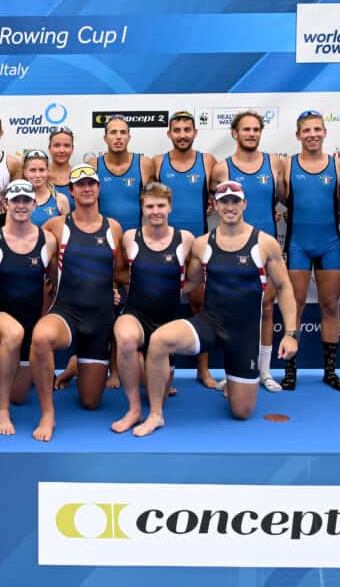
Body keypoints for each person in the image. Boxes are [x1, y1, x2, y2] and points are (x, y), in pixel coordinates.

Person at [134, 180, 299, 433]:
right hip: (211, 324)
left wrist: (290, 334)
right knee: (158, 340)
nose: (230, 206)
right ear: (214, 205)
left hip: (244, 334)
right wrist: (146, 289)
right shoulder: (201, 244)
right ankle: (156, 414)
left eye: (235, 201)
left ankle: (236, 381)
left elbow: (285, 288)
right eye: (224, 201)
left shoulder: (265, 243)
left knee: (241, 412)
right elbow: (188, 284)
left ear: (244, 204)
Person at [29, 164, 124, 441]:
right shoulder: (56, 226)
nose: (86, 188)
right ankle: (48, 414)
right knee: (42, 337)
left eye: (91, 183)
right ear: (70, 191)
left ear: (98, 188)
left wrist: (114, 290)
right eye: (80, 184)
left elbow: (118, 272)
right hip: (67, 312)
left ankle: (73, 367)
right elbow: (29, 253)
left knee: (91, 403)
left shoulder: (114, 227)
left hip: (100, 319)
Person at [111, 182, 196, 433]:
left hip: (167, 322)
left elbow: (195, 278)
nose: (155, 211)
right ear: (142, 209)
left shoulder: (186, 239)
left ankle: (156, 410)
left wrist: (176, 291)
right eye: (150, 206)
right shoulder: (130, 237)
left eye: (160, 205)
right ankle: (134, 410)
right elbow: (119, 272)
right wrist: (117, 289)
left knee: (159, 396)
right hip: (136, 313)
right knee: (125, 338)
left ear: (170, 207)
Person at [212, 111, 287, 393]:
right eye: (246, 129)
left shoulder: (275, 163)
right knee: (232, 309)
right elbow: (214, 202)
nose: (251, 134)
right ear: (235, 133)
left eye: (256, 129)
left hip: (265, 245)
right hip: (232, 246)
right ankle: (233, 372)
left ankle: (265, 371)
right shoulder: (221, 169)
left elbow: (284, 198)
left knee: (266, 309)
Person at [280, 110, 340, 392]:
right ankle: (290, 370)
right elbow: (283, 198)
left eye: (317, 129)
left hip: (329, 243)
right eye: (306, 130)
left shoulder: (337, 165)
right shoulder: (287, 165)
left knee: (330, 306)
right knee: (293, 305)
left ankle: (330, 371)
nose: (312, 135)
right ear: (298, 135)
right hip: (298, 243)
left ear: (324, 132)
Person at [151, 109, 219, 390]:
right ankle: (162, 373)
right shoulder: (157, 163)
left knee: (200, 307)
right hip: (163, 246)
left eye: (187, 130)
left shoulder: (208, 161)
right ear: (169, 134)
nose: (182, 135)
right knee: (159, 308)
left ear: (195, 132)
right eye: (176, 130)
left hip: (198, 246)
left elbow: (223, 197)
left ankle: (203, 371)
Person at [0, 180, 57, 435]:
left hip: (31, 322)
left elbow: (55, 282)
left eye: (25, 200)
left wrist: (47, 317)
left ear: (34, 203)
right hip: (0, 319)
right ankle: (1, 410)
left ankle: (46, 412)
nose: (20, 205)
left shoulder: (47, 240)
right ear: (5, 203)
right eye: (15, 200)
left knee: (20, 395)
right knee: (13, 333)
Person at [96, 115, 154, 232]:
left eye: (123, 132)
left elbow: (157, 200)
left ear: (129, 137)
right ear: (105, 138)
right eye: (113, 132)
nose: (118, 137)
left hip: (135, 238)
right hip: (102, 239)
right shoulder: (93, 166)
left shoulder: (145, 164)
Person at [22, 150, 70, 225]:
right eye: (32, 170)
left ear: (48, 171)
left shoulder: (60, 200)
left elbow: (67, 233)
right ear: (25, 172)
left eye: (42, 170)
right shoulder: (16, 201)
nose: (37, 175)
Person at [47, 126, 76, 206]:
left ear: (72, 149)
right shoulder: (41, 177)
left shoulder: (79, 176)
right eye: (57, 145)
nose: (62, 150)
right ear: (49, 148)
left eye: (66, 146)